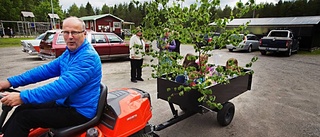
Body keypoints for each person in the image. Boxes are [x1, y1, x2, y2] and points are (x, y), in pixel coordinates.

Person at [0, 16, 102, 137]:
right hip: (65, 103)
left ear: (84, 34)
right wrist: (9, 82)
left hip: (79, 111)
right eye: (66, 32)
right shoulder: (70, 53)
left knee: (24, 118)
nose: (70, 37)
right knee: (23, 108)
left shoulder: (87, 57)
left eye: (74, 32)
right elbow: (45, 71)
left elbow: (61, 87)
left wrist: (22, 96)